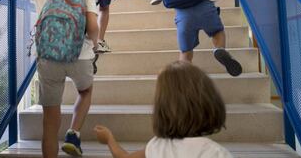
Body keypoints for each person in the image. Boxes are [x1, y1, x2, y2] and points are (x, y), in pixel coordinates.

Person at [7, 0, 99, 157]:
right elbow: (93, 26)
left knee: (50, 120)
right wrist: (96, 44)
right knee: (85, 91)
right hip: (81, 55)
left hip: (48, 57)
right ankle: (73, 133)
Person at [94, 61, 233, 158]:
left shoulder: (156, 146)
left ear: (162, 109)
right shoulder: (215, 153)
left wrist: (109, 139)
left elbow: (124, 157)